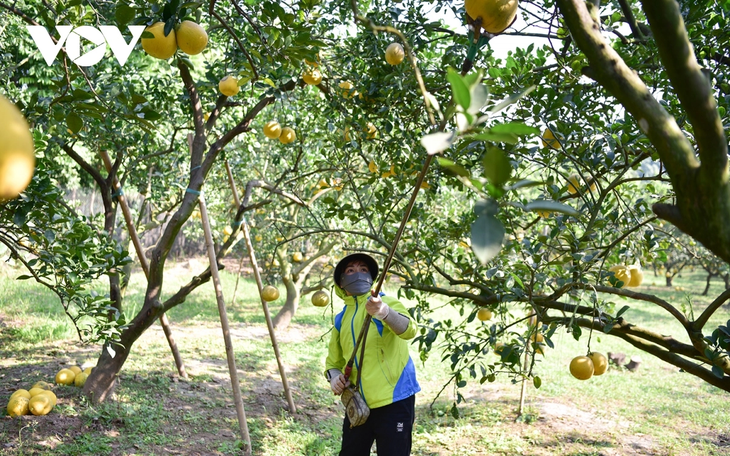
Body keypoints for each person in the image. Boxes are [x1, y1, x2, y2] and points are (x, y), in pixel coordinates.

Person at [324, 253, 420, 456]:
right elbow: (333, 362)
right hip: (359, 403)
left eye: (363, 269)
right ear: (341, 282)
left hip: (394, 399)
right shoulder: (341, 319)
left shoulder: (386, 302)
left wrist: (384, 312)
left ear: (372, 277)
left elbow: (409, 330)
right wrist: (333, 378)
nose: (357, 273)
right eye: (350, 270)